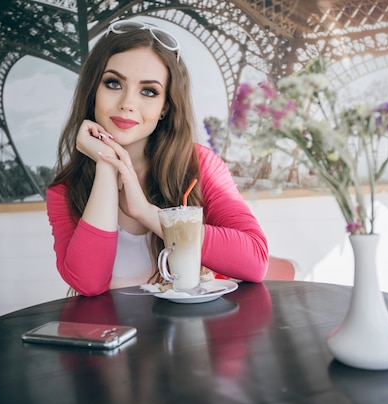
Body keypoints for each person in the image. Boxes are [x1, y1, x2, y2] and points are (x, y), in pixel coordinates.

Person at [46, 19, 268, 296]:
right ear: (93, 92)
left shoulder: (200, 165)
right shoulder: (64, 191)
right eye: (113, 83)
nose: (127, 103)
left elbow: (256, 261)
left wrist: (148, 213)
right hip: (114, 336)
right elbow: (88, 284)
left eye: (148, 91)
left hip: (195, 336)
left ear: (165, 107)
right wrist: (106, 163)